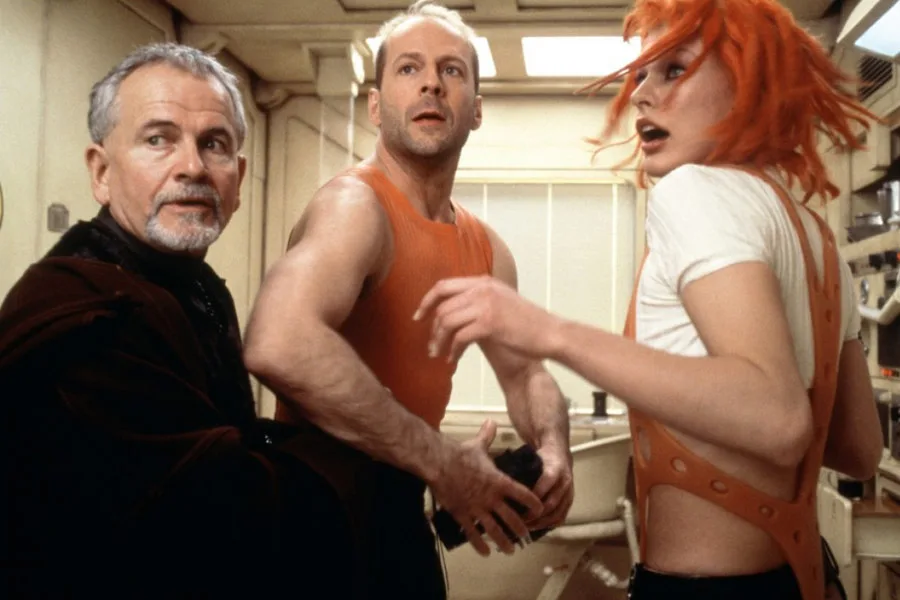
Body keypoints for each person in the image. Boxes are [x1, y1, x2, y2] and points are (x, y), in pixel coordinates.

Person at [413, 0, 885, 599]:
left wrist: (550, 331)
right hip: (803, 579)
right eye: (639, 75)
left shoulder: (694, 192)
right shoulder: (816, 237)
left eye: (674, 70)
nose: (640, 94)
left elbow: (779, 418)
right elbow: (858, 448)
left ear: (747, 83)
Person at [243, 1, 573, 597]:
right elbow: (278, 342)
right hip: (314, 517)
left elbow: (525, 374)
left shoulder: (487, 249)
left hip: (399, 512)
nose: (431, 83)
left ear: (476, 109)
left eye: (451, 70)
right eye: (409, 68)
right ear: (375, 105)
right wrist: (444, 462)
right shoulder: (355, 208)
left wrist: (554, 450)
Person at [0, 43, 351, 597]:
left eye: (214, 144)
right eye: (158, 139)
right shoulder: (81, 309)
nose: (192, 166)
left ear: (238, 179)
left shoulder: (197, 287)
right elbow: (219, 511)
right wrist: (386, 456)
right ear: (101, 172)